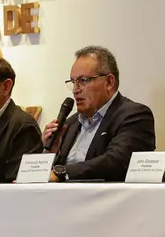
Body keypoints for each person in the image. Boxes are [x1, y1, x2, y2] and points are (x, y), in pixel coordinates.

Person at [43, 45, 156, 182]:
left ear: (109, 82)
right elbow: (50, 175)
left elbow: (116, 162)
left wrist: (62, 173)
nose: (75, 90)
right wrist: (50, 153)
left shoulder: (134, 116)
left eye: (83, 80)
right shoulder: (70, 124)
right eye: (73, 81)